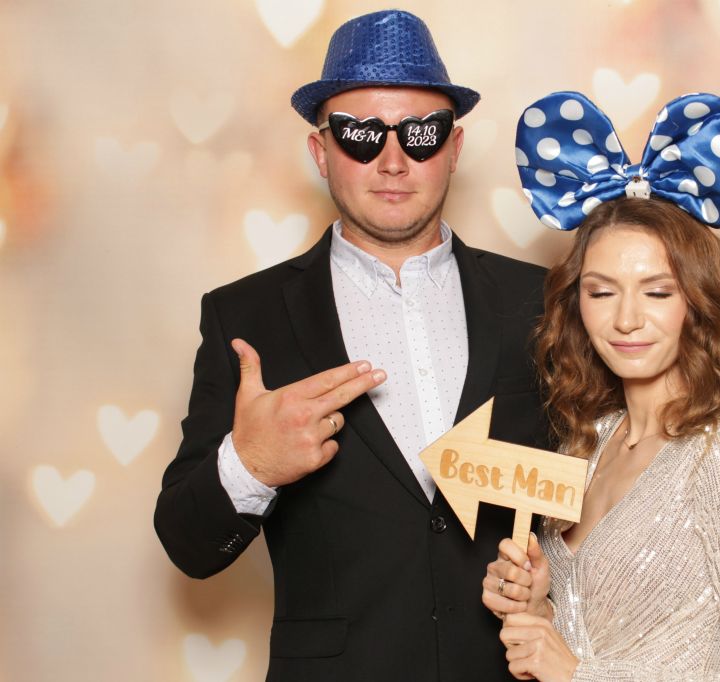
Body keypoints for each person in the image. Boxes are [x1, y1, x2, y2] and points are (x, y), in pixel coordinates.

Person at [154, 10, 548, 681]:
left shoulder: (543, 300)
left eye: (420, 135)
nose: (392, 162)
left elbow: (602, 489)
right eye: (361, 135)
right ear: (321, 152)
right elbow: (188, 544)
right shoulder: (245, 318)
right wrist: (250, 464)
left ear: (454, 148)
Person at [481, 91, 720, 681]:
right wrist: (537, 606)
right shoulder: (590, 440)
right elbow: (600, 641)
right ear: (577, 304)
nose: (627, 319)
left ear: (697, 302)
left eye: (657, 292)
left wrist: (578, 675)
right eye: (601, 291)